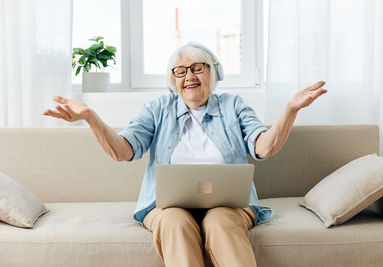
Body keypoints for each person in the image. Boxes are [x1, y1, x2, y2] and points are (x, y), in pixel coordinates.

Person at [43, 42, 327, 267]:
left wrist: (290, 110)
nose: (189, 76)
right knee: (175, 221)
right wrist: (91, 118)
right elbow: (122, 151)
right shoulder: (158, 108)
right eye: (180, 71)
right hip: (166, 207)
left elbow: (263, 148)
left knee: (220, 221)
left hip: (229, 206)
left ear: (212, 72)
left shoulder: (233, 105)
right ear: (173, 80)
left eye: (197, 68)